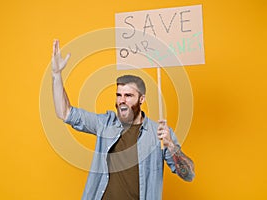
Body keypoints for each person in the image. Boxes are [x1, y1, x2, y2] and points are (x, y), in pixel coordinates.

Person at [52, 39, 195, 200]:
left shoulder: (159, 134)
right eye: (119, 95)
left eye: (128, 96)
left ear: (141, 99)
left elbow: (188, 175)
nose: (122, 100)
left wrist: (170, 145)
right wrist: (56, 75)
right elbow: (64, 113)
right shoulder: (105, 124)